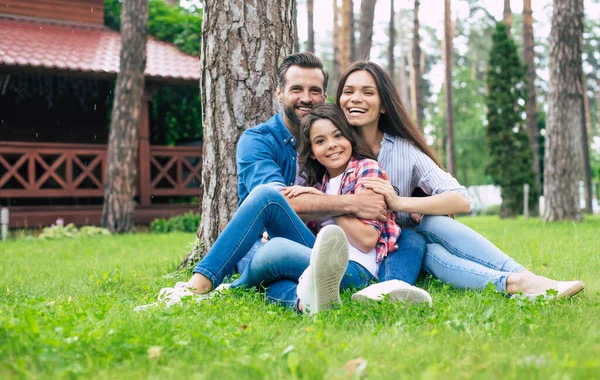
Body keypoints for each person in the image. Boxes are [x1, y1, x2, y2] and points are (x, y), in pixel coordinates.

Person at [336, 60, 584, 299]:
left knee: (430, 228)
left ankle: (520, 279)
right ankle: (521, 282)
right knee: (418, 239)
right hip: (369, 250)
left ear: (384, 105)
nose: (355, 98)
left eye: (367, 92)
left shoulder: (404, 150)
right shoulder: (330, 149)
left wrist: (398, 202)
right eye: (348, 91)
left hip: (408, 248)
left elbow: (462, 200)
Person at [228, 105, 430, 311]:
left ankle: (231, 289)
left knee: (275, 253)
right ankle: (303, 304)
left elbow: (367, 240)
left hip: (356, 268)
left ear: (350, 138)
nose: (332, 145)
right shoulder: (318, 187)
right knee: (272, 279)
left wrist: (328, 204)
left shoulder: (366, 169)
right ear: (313, 153)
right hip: (321, 264)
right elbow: (313, 238)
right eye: (320, 141)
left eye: (338, 136)